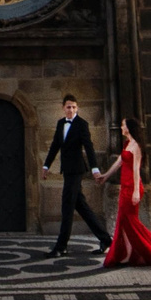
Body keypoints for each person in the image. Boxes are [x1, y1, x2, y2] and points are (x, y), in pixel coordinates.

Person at [40, 95, 109, 257]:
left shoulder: (81, 124)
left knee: (67, 206)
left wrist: (95, 169)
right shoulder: (60, 123)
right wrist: (46, 166)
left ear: (77, 108)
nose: (71, 110)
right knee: (81, 207)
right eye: (68, 107)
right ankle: (105, 238)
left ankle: (61, 246)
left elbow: (89, 148)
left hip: (77, 170)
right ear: (63, 107)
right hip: (67, 170)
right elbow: (54, 146)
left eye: (73, 107)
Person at [101, 115, 151, 269]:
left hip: (132, 187)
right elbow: (119, 162)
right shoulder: (128, 143)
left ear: (129, 128)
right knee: (124, 222)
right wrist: (106, 176)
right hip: (125, 187)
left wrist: (135, 191)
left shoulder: (136, 147)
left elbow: (136, 170)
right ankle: (128, 254)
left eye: (122, 125)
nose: (121, 127)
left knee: (131, 222)